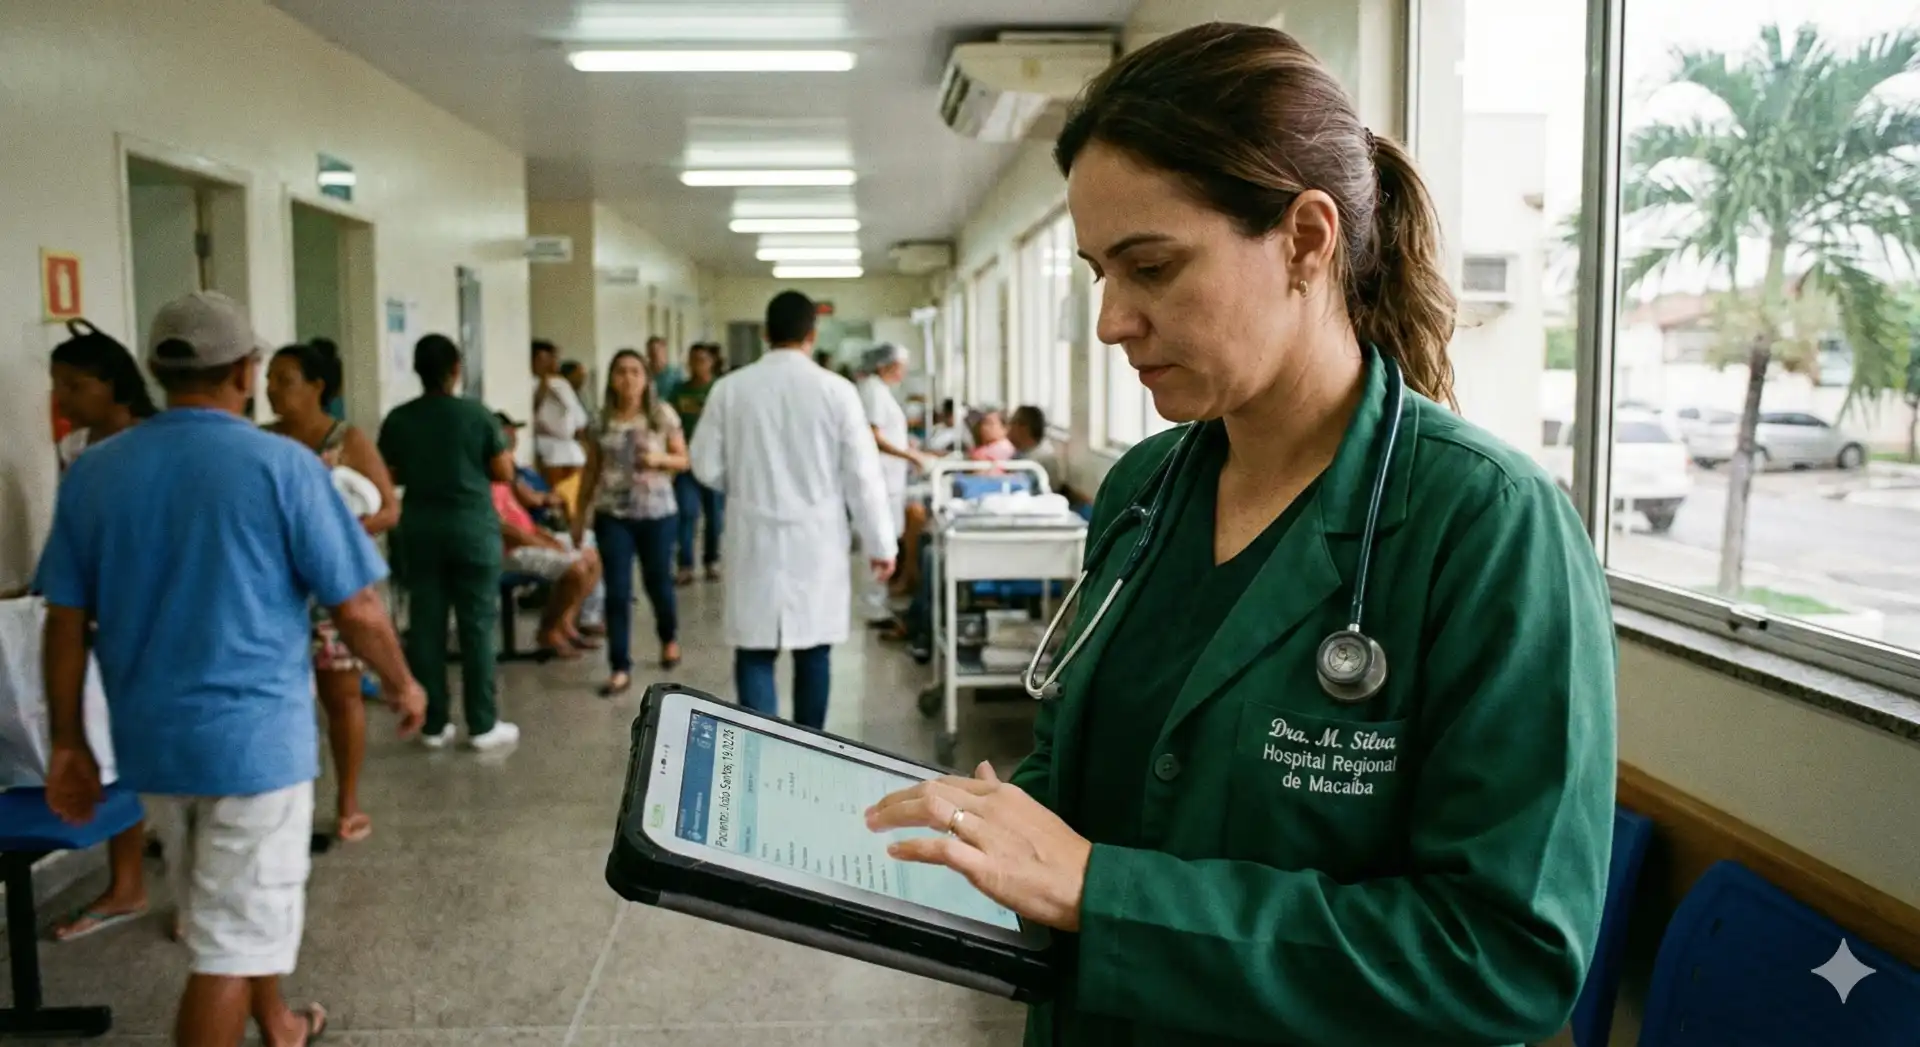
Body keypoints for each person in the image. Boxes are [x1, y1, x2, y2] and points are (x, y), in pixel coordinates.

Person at [865, 23, 1614, 1047]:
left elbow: (1504, 960)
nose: (1112, 320)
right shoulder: (1144, 493)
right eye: (1098, 273)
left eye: (1153, 266)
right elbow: (1089, 780)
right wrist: (967, 835)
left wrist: (1101, 892)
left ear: (1307, 239)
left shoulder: (1484, 526)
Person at [37, 290, 425, 1047]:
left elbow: (63, 620)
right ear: (245, 370)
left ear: (153, 368)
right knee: (228, 943)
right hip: (253, 747)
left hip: (152, 740)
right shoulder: (281, 464)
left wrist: (68, 742)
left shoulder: (96, 471)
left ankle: (275, 1021)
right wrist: (405, 682)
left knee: (228, 910)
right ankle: (252, 1017)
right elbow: (357, 609)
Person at [689, 290, 895, 729]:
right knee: (814, 648)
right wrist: (881, 544)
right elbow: (862, 475)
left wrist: (743, 483)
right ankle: (808, 750)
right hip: (815, 540)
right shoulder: (837, 391)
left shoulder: (729, 389)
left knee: (755, 649)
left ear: (765, 333)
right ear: (812, 333)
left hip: (752, 535)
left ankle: (759, 753)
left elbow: (704, 466)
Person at [41, 319, 158, 943]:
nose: (62, 399)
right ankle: (127, 883)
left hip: (158, 616)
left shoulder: (155, 443)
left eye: (75, 385)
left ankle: (203, 894)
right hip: (99, 615)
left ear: (112, 384)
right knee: (111, 747)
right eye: (57, 385)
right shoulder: (77, 452)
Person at [266, 342, 401, 844]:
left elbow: (389, 509)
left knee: (341, 696)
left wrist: (340, 532)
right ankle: (283, 804)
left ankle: (347, 800)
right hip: (277, 592)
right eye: (270, 379)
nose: (272, 389)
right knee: (280, 701)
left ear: (317, 386)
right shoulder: (263, 441)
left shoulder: (346, 440)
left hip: (333, 589)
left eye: (285, 379)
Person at [379, 335, 520, 751]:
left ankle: (433, 723)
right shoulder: (476, 416)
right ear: (456, 368)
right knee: (476, 626)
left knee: (425, 627)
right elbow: (503, 472)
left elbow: (392, 473)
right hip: (471, 532)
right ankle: (481, 724)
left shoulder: (400, 419)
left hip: (420, 531)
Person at [576, 349, 687, 696]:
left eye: (635, 372)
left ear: (646, 378)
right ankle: (619, 666)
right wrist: (579, 515)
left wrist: (660, 458)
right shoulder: (600, 419)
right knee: (618, 592)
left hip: (657, 514)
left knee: (658, 584)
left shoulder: (661, 415)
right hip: (614, 515)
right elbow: (591, 470)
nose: (628, 378)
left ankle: (668, 637)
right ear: (611, 378)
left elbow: (684, 460)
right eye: (621, 371)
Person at [856, 343, 929, 625]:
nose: (903, 372)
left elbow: (887, 432)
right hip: (881, 479)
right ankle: (873, 605)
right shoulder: (873, 390)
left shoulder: (880, 390)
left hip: (890, 478)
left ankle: (879, 601)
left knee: (886, 540)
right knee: (878, 542)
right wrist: (907, 453)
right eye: (900, 366)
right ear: (885, 366)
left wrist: (905, 445)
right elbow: (873, 435)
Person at [670, 343, 724, 585]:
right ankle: (686, 565)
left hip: (714, 463)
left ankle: (711, 560)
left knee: (714, 515)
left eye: (702, 359)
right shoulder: (678, 392)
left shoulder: (719, 390)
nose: (696, 364)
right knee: (686, 513)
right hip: (686, 464)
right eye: (692, 360)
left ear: (711, 362)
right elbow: (669, 424)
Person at [531, 339, 589, 509]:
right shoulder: (530, 382)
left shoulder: (561, 383)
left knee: (575, 494)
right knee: (556, 495)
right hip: (548, 448)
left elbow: (579, 418)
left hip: (570, 448)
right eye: (543, 359)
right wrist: (544, 384)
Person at [1008, 405, 1074, 503]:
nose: (1008, 429)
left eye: (1012, 423)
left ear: (1023, 427)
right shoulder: (1021, 453)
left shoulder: (1042, 459)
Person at [646, 335, 685, 404]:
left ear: (664, 352)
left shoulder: (676, 373)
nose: (655, 354)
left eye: (658, 350)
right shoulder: (644, 373)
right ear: (648, 353)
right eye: (652, 351)